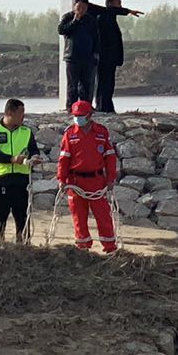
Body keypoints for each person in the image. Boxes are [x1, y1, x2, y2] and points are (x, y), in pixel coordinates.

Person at [56, 100, 118, 253]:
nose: (78, 118)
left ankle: (110, 248)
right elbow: (64, 159)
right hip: (76, 182)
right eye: (75, 116)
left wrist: (111, 179)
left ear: (90, 115)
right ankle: (83, 248)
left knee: (103, 216)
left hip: (96, 181)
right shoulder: (70, 134)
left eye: (81, 115)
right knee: (78, 217)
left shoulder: (101, 132)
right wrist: (61, 180)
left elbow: (109, 157)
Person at [0, 98, 42, 243]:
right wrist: (12, 159)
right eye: (21, 112)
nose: (23, 116)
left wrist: (35, 157)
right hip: (1, 182)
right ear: (9, 112)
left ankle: (23, 251)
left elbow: (34, 150)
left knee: (23, 222)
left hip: (21, 183)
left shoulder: (26, 131)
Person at [92, 0, 144, 114]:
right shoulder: (104, 15)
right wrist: (128, 11)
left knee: (108, 83)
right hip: (105, 56)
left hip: (110, 57)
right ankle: (103, 107)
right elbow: (112, 10)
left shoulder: (108, 17)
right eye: (118, 4)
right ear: (111, 4)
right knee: (104, 83)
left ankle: (107, 106)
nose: (120, 6)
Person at [57, 0, 98, 108]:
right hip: (72, 57)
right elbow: (61, 30)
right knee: (72, 85)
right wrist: (75, 21)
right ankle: (71, 107)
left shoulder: (90, 20)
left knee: (86, 85)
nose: (82, 10)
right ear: (74, 6)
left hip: (87, 57)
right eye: (79, 7)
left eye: (84, 8)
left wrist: (95, 53)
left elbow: (96, 38)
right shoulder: (67, 17)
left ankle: (86, 107)